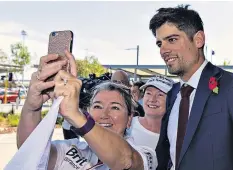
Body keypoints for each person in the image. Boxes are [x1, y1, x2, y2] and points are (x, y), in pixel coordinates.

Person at [149, 4, 233, 170]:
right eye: (160, 44)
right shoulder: (173, 94)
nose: (163, 50)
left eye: (172, 40)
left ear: (198, 40)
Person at [17, 51, 157, 170]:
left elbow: (125, 160)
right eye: (97, 106)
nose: (104, 114)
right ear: (89, 111)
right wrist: (32, 107)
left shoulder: (145, 154)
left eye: (115, 107)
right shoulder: (73, 149)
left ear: (129, 119)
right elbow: (30, 152)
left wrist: (77, 116)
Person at [129, 76, 174, 150]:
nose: (152, 99)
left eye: (160, 95)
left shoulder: (175, 133)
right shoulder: (128, 125)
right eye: (148, 93)